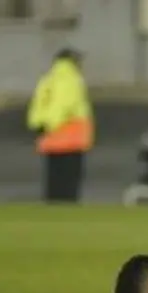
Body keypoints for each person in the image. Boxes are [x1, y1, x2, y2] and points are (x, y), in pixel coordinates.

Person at [26, 47, 94, 203]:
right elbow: (64, 104)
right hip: (70, 139)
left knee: (53, 180)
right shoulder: (71, 78)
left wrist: (39, 125)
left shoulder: (49, 78)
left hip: (51, 139)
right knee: (68, 184)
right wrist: (53, 124)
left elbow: (38, 105)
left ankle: (52, 209)